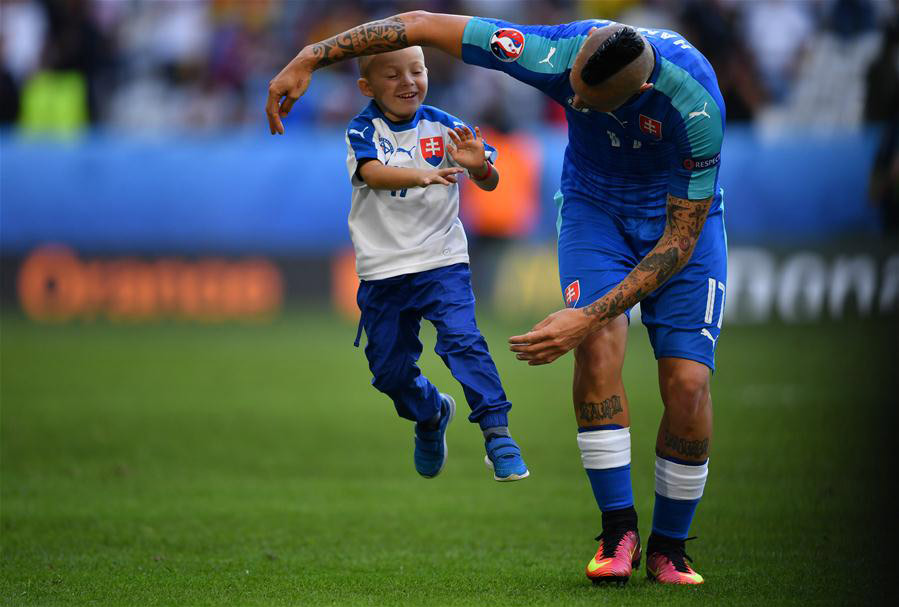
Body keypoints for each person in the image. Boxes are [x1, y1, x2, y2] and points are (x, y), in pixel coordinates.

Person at [267, 11, 725, 585]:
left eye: (590, 102)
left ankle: (671, 547)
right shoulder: (550, 52)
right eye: (571, 95)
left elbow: (680, 242)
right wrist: (311, 55)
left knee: (687, 384)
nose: (575, 106)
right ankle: (618, 534)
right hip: (595, 208)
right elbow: (420, 25)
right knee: (599, 351)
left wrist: (586, 312)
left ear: (639, 95)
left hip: (677, 221)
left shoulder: (697, 105)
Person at [338, 45, 529, 482]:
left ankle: (497, 434)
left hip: (441, 260)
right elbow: (371, 173)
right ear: (367, 86)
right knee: (388, 372)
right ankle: (430, 413)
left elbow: (490, 178)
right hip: (382, 271)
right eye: (393, 75)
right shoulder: (362, 128)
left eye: (416, 71)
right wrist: (422, 174)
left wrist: (480, 167)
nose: (408, 81)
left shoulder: (446, 126)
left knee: (463, 339)